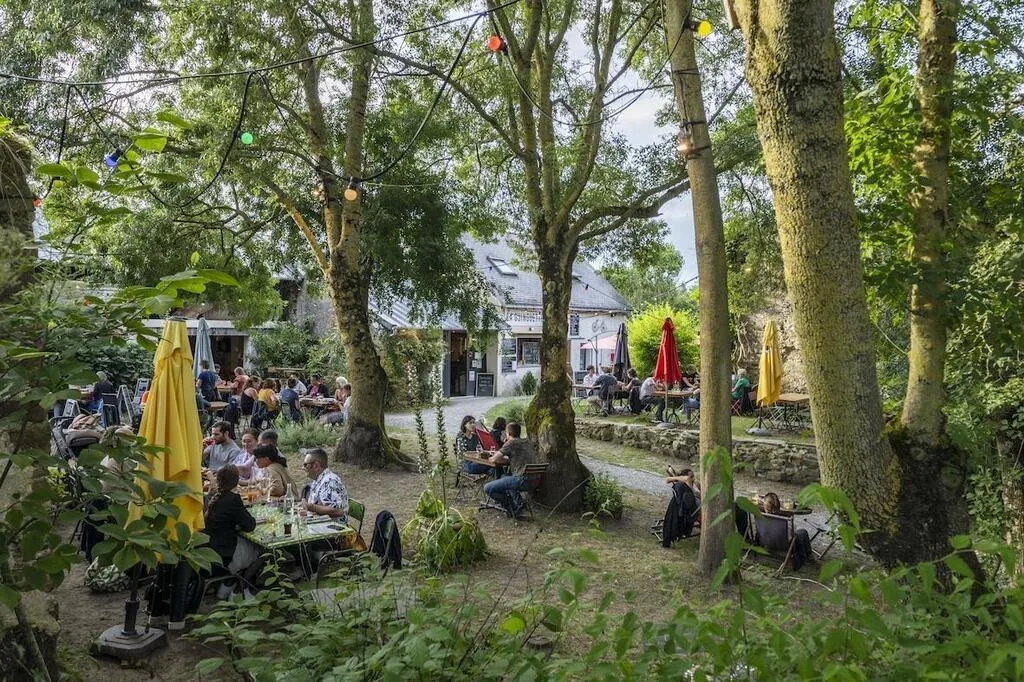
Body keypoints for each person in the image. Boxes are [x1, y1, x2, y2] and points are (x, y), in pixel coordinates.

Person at [203, 465, 258, 596]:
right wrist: (237, 525)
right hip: (224, 556)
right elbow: (250, 525)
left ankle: (229, 583)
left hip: (207, 551)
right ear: (237, 480)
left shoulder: (212, 496)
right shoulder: (233, 499)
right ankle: (241, 588)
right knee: (261, 550)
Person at [483, 422, 537, 517]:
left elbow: (493, 459)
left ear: (508, 433)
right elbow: (515, 458)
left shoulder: (511, 443)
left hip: (521, 480)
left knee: (487, 488)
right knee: (504, 476)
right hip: (535, 480)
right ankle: (519, 503)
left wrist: (488, 456)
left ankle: (513, 508)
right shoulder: (527, 442)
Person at [299, 448, 349, 521]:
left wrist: (310, 507)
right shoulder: (318, 479)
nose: (303, 468)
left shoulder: (330, 481)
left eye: (305, 465)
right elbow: (319, 507)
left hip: (333, 526)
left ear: (316, 466)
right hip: (321, 522)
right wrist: (308, 512)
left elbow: (338, 511)